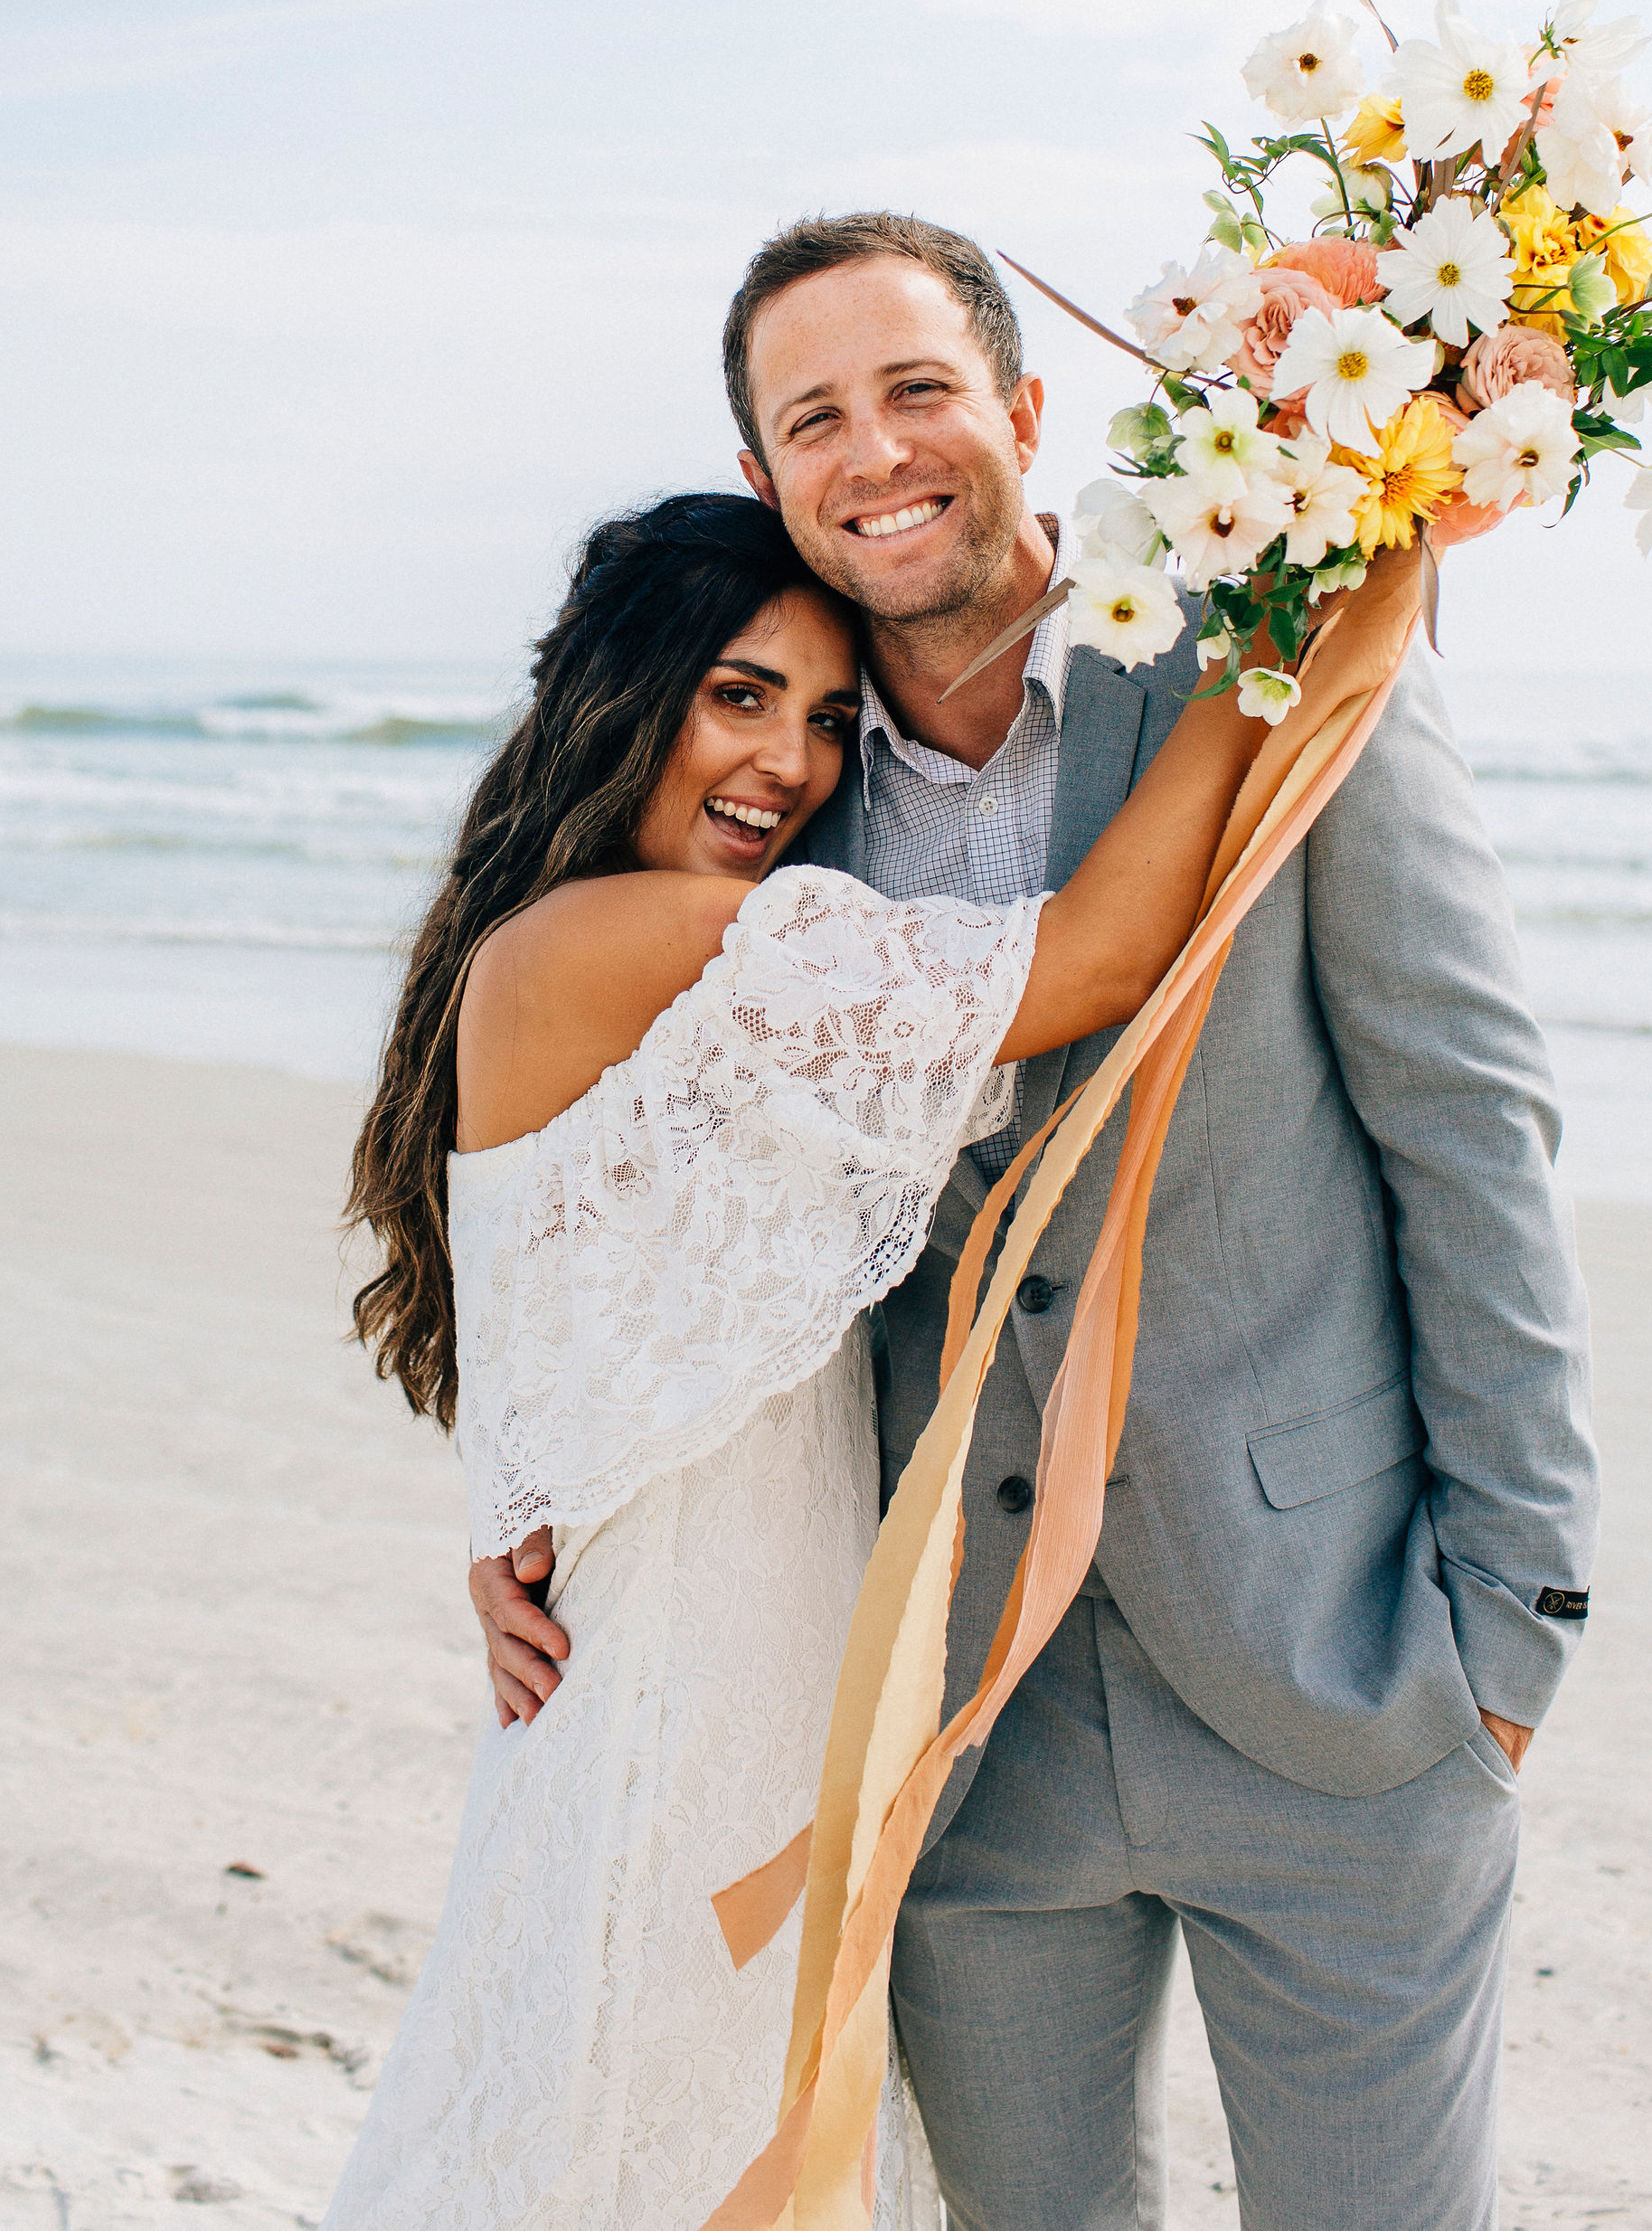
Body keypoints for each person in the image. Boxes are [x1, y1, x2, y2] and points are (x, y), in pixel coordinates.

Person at [476, 216, 1600, 2231]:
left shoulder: (1272, 652)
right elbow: (580, 1173)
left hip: (1340, 1674)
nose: (877, 450)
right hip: (962, 1739)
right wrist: (526, 1491)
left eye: (917, 390)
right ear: (768, 482)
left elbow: (1468, 1116)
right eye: (814, 417)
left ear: (1023, 411)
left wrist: (1515, 1612)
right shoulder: (762, 806)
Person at [326, 487, 1284, 2231]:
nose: (792, 759)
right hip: (693, 1691)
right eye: (740, 694)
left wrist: (509, 1515)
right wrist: (1270, 644)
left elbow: (567, 1329)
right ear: (626, 694)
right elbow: (1091, 958)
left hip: (710, 1654)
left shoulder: (575, 946)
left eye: (832, 719)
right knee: (649, 2125)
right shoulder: (631, 939)